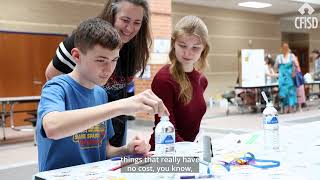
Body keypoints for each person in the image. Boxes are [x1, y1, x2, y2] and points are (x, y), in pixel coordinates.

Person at [36, 18, 168, 172]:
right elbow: (53, 127)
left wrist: (127, 150)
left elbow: (103, 151)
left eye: (114, 60)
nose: (109, 69)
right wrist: (120, 106)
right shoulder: (56, 87)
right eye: (101, 60)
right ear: (77, 56)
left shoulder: (101, 94)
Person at [44, 0, 152, 147]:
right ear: (112, 14)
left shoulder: (135, 48)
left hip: (112, 123)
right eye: (125, 20)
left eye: (137, 23)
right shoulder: (84, 41)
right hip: (82, 123)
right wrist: (84, 107)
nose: (130, 28)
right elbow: (52, 75)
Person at [148, 16, 210, 150]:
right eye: (182, 45)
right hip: (165, 150)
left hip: (187, 149)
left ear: (204, 49)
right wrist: (192, 151)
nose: (188, 53)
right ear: (173, 43)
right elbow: (167, 129)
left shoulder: (201, 80)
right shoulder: (164, 80)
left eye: (195, 48)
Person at [274, 42, 298, 113]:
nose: (285, 49)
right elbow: (275, 67)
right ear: (281, 49)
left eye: (286, 47)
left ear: (288, 48)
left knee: (290, 92)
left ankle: (290, 108)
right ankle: (285, 107)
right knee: (283, 93)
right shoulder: (279, 57)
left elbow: (296, 65)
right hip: (282, 78)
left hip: (290, 77)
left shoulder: (292, 56)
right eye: (283, 47)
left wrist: (293, 71)